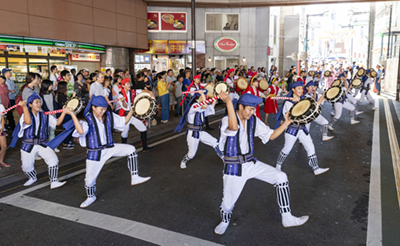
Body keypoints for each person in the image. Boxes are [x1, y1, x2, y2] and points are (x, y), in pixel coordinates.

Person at [214, 91, 309, 235]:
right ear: (240, 106)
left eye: (254, 109)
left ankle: (287, 217)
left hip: (251, 163)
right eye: (250, 109)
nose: (252, 112)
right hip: (234, 167)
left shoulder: (253, 120)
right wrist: (228, 102)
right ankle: (225, 220)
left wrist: (287, 123)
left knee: (281, 177)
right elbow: (234, 127)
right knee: (227, 204)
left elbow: (271, 136)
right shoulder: (227, 120)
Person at [67, 95, 151, 207]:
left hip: (110, 147)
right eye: (101, 109)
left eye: (105, 108)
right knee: (89, 181)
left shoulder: (108, 115)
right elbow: (81, 132)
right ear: (93, 107)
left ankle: (135, 177)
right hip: (95, 152)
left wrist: (131, 111)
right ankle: (91, 197)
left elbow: (124, 122)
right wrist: (72, 114)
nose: (103, 111)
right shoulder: (87, 119)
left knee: (131, 149)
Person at [10, 93, 67, 188]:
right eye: (36, 102)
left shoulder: (45, 115)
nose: (39, 104)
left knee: (53, 160)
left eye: (40, 102)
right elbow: (28, 122)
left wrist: (64, 112)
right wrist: (24, 108)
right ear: (30, 105)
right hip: (28, 144)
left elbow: (57, 123)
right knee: (26, 167)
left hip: (42, 143)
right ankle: (32, 177)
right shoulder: (25, 115)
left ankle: (54, 181)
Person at [274, 81, 329, 175]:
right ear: (293, 89)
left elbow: (315, 105)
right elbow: (290, 118)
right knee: (286, 149)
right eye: (298, 88)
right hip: (292, 129)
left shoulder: (304, 98)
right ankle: (277, 166)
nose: (301, 90)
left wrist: (323, 95)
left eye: (301, 88)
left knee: (310, 147)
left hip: (302, 128)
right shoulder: (288, 102)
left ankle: (316, 168)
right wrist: (296, 104)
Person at [174, 90, 223, 169]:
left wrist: (215, 98)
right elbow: (205, 106)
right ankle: (184, 161)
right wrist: (202, 93)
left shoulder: (200, 106)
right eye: (204, 95)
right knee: (191, 154)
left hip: (200, 132)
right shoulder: (194, 106)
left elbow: (209, 107)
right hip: (193, 133)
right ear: (200, 96)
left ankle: (223, 158)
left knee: (215, 142)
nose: (206, 96)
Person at [117, 78, 154, 151]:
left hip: (132, 114)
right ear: (123, 85)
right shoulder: (120, 95)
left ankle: (145, 146)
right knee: (125, 132)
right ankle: (123, 150)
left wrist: (149, 92)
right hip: (125, 115)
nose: (129, 85)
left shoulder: (132, 91)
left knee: (142, 127)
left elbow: (141, 91)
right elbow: (124, 107)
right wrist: (123, 101)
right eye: (127, 84)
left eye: (129, 83)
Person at [39, 80, 61, 152]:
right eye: (50, 85)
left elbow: (54, 103)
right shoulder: (40, 95)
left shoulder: (51, 93)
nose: (52, 86)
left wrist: (54, 111)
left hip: (52, 115)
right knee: (45, 132)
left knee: (52, 131)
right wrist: (48, 112)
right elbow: (42, 106)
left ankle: (53, 146)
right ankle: (45, 147)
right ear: (46, 86)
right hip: (45, 115)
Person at [0, 99, 9, 169]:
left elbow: (3, 118)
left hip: (0, 129)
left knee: (4, 146)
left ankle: (1, 161)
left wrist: (2, 127)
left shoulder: (1, 106)